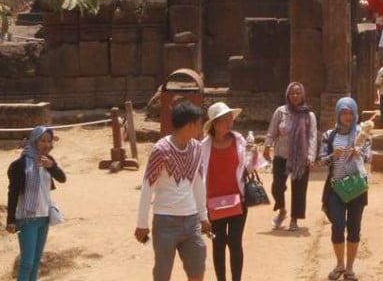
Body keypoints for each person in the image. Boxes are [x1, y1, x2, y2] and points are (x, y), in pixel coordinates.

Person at [136, 101, 211, 281]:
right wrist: (142, 222)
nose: (201, 128)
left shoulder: (196, 148)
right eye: (199, 123)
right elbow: (148, 185)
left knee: (197, 270)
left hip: (191, 220)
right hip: (165, 220)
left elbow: (198, 183)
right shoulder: (160, 150)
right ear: (191, 124)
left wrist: (203, 215)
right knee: (163, 274)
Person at [200, 102, 257, 281]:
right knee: (218, 243)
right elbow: (199, 174)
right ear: (215, 124)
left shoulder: (239, 140)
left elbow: (247, 169)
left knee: (234, 241)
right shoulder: (203, 146)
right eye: (225, 120)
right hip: (213, 204)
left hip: (237, 201)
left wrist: (254, 155)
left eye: (229, 119)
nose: (229, 122)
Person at [319, 97, 372, 281]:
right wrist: (335, 155)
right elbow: (322, 160)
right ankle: (339, 264)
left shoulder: (363, 133)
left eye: (350, 113)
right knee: (338, 226)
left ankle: (349, 268)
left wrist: (360, 153)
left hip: (357, 188)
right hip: (336, 188)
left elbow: (368, 157)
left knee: (354, 227)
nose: (347, 117)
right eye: (344, 113)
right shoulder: (329, 135)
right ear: (338, 114)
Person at [7, 125, 66, 281]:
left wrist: (51, 166)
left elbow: (62, 178)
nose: (46, 145)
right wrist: (10, 220)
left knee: (36, 262)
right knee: (26, 263)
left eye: (49, 141)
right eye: (42, 141)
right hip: (27, 219)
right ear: (34, 141)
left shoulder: (48, 161)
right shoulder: (19, 165)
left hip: (44, 217)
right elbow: (12, 193)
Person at [263, 82, 317, 232]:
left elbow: (312, 136)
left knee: (299, 189)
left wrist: (311, 156)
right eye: (292, 93)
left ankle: (294, 219)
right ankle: (282, 210)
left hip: (301, 157)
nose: (295, 96)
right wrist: (267, 146)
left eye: (298, 93)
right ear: (287, 95)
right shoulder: (280, 112)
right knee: (277, 186)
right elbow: (272, 130)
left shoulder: (309, 115)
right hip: (281, 155)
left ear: (302, 95)